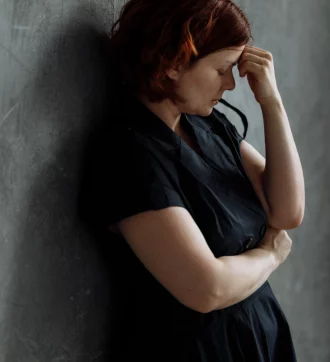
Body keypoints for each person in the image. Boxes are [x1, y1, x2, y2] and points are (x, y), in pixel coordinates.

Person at [85, 0, 305, 360]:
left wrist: (272, 103)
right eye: (223, 69)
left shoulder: (209, 126)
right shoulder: (128, 156)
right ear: (173, 64)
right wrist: (269, 255)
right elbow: (207, 289)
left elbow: (287, 211)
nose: (232, 84)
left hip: (257, 338)